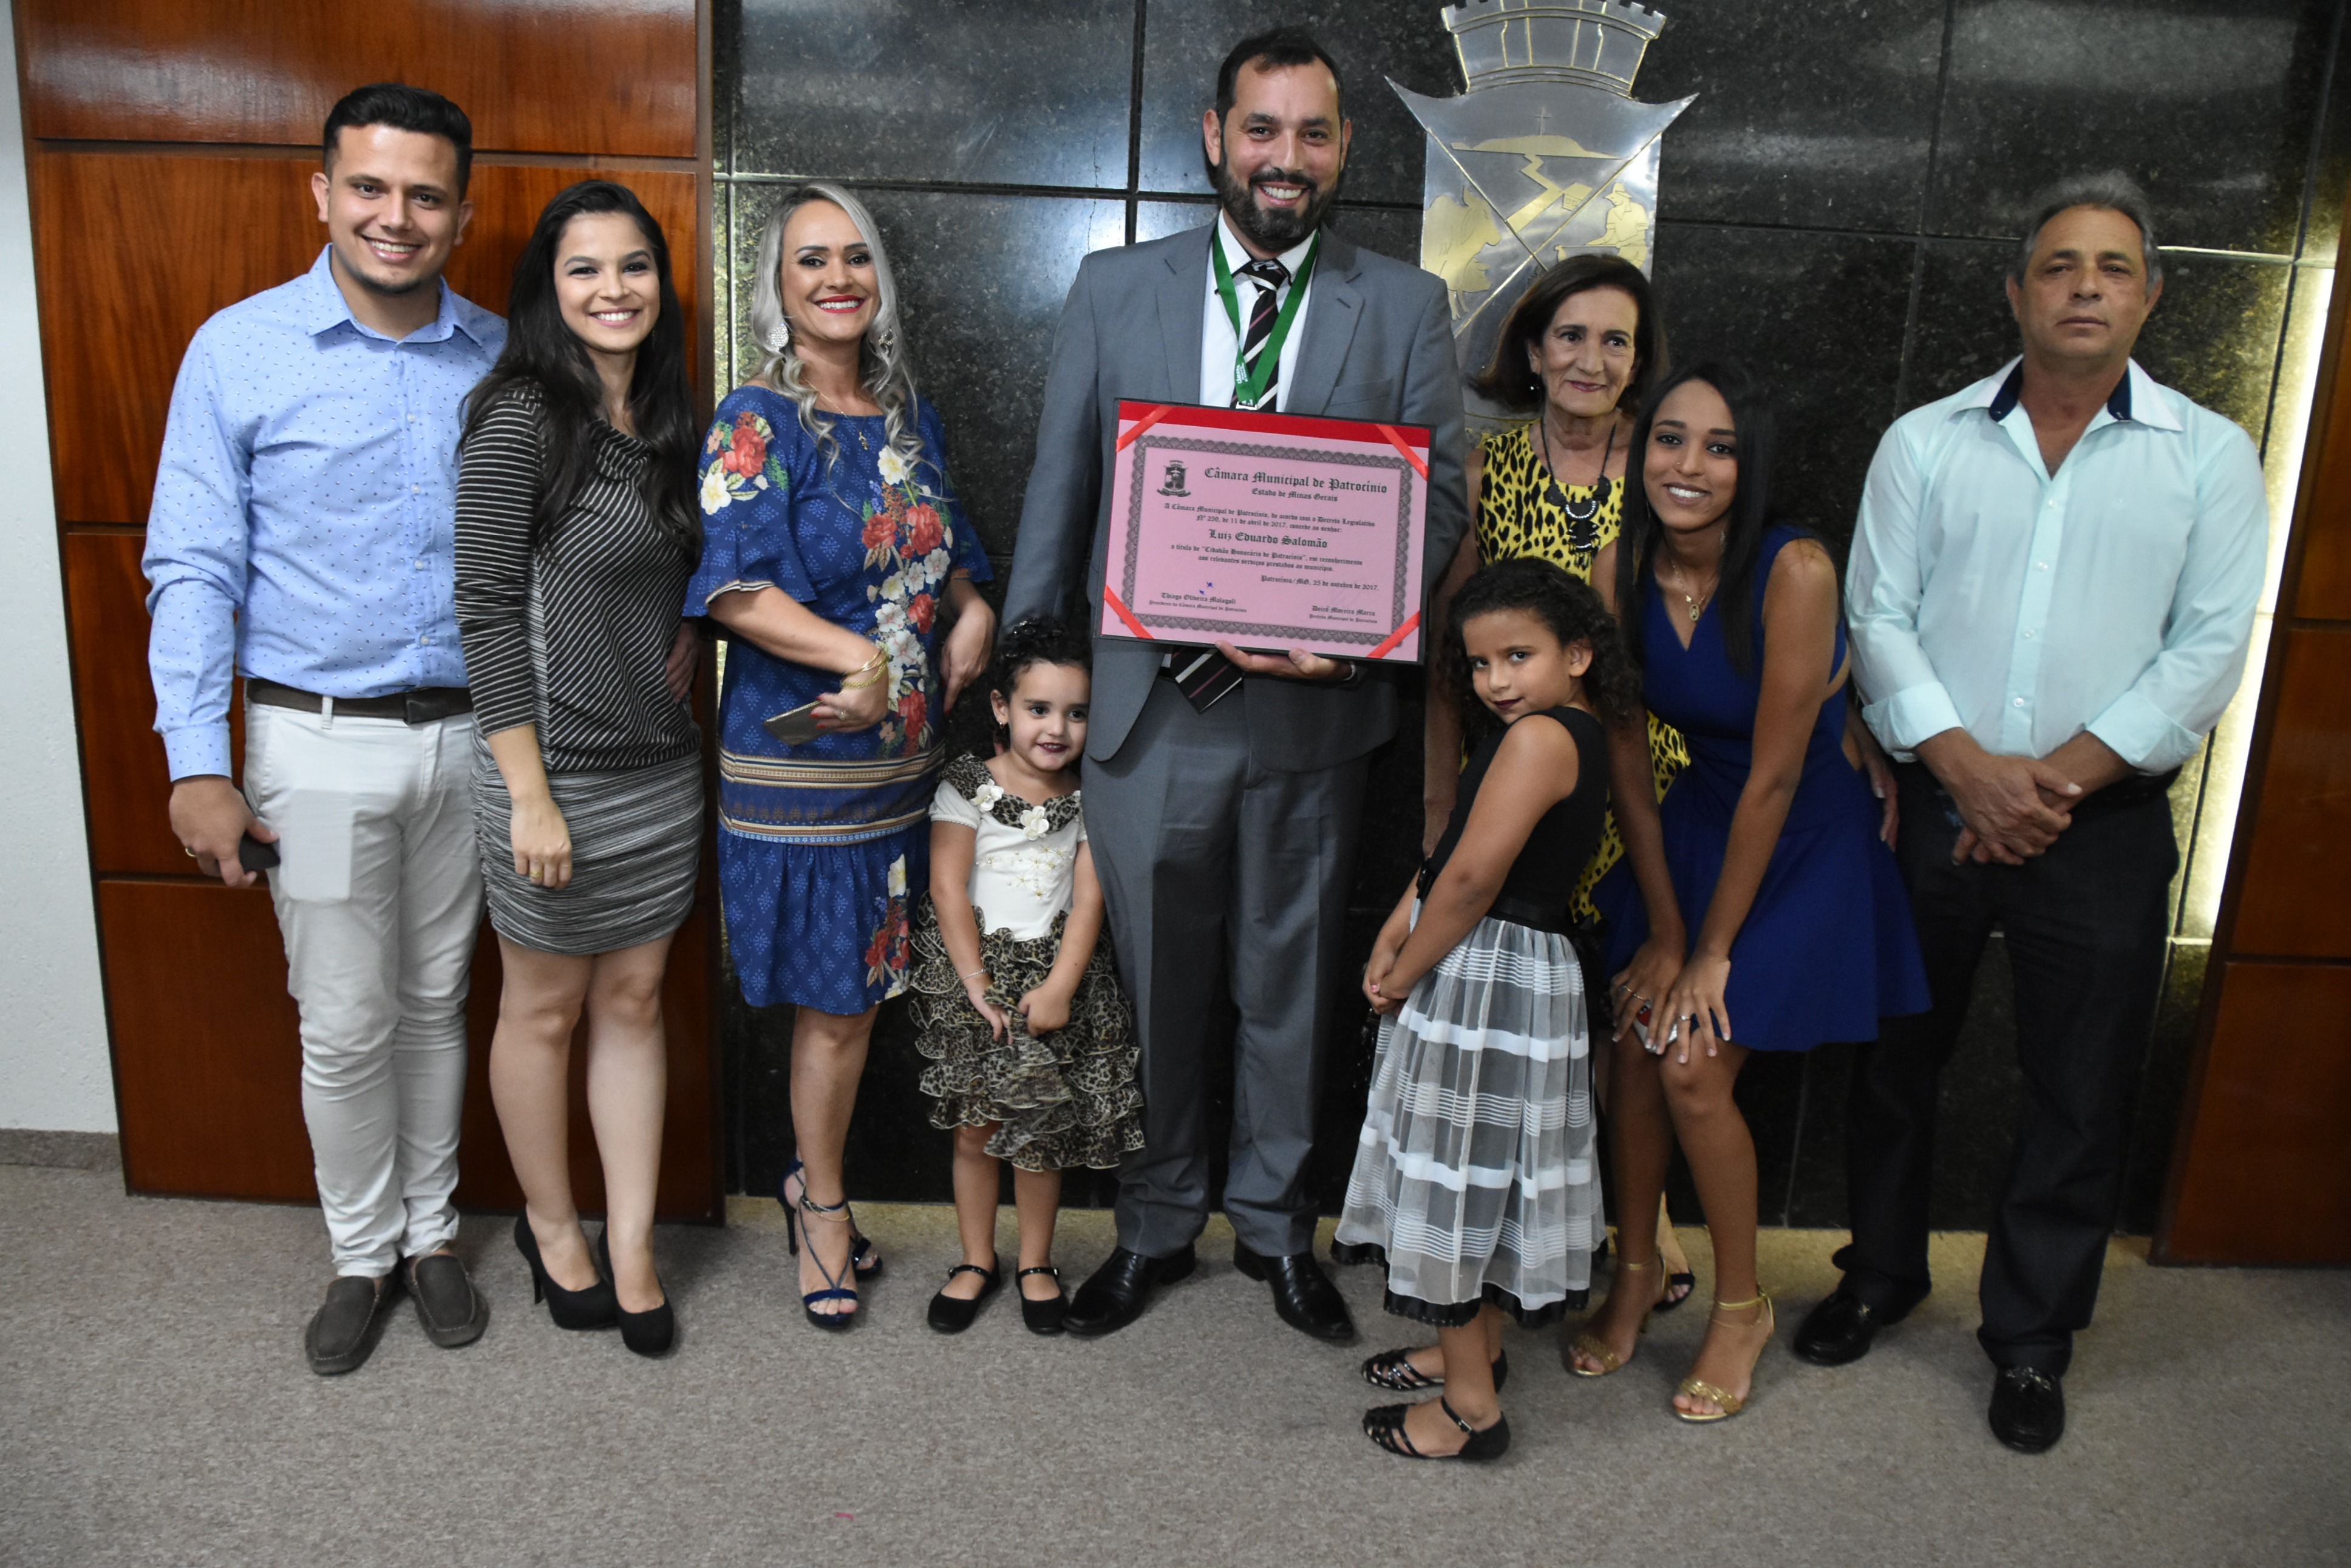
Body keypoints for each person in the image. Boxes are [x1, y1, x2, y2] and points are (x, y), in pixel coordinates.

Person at [1001, 25, 1467, 1343]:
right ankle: (1153, 1223)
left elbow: (1436, 506)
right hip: (1148, 712)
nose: (1285, 157)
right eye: (1261, 129)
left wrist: (1356, 632)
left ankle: (1273, 1226)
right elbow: (1060, 487)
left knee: (1292, 987)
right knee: (1156, 990)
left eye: (1312, 133)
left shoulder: (1405, 305)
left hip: (1314, 712)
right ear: (1216, 138)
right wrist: (1038, 671)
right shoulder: (1115, 288)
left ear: (1345, 149)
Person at [1816, 174, 2266, 1453]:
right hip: (1933, 804)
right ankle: (1878, 1271)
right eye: (2059, 264)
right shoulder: (1926, 441)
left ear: (2150, 295)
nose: (2084, 286)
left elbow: (2205, 652)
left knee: (2079, 1086)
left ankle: (2028, 1335)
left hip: (2103, 824)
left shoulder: (2209, 455)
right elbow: (1876, 615)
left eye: (2112, 267)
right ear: (2015, 291)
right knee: (1896, 1056)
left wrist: (2047, 782)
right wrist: (1965, 768)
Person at [145, 83, 504, 1376]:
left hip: (471, 739)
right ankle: (361, 1252)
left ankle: (432, 1233)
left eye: (424, 194)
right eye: (369, 187)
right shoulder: (239, 350)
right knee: (345, 1021)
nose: (394, 216)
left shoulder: (502, 356)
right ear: (322, 193)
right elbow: (193, 565)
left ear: (461, 213)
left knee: (436, 1000)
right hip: (317, 740)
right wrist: (196, 761)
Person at [1573, 361, 1930, 1423]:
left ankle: (1740, 1306)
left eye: (1720, 447)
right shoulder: (1616, 565)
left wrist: (1708, 950)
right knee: (1634, 1046)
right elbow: (1627, 761)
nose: (1688, 465)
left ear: (1752, 463)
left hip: (1804, 835)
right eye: (1670, 438)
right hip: (1696, 818)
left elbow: (1776, 777)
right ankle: (1637, 1269)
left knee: (1690, 1064)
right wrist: (1664, 927)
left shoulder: (1796, 570)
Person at [687, 182, 995, 1330]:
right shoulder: (755, 419)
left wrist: (973, 607)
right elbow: (735, 588)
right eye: (810, 259)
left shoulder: (907, 416)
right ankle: (820, 1203)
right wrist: (859, 654)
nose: (837, 278)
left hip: (902, 771)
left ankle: (814, 1186)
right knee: (835, 1006)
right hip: (803, 770)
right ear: (776, 286)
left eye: (855, 256)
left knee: (867, 1000)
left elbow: (945, 550)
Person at [1421, 253, 1703, 1308]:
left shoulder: (1668, 465)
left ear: (1640, 360)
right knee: (1546, 1009)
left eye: (1616, 340)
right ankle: (1530, 1232)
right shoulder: (1488, 469)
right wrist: (1441, 806)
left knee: (1631, 1006)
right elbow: (1449, 651)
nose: (1593, 358)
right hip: (1526, 786)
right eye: (1571, 335)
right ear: (1533, 352)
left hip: (1652, 778)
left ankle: (1644, 1221)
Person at [454, 181, 702, 1358]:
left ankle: (634, 1242)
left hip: (659, 768)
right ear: (547, 291)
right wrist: (529, 794)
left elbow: (677, 569)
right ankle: (553, 1228)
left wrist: (688, 625)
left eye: (634, 265)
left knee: (635, 1002)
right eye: (585, 269)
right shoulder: (518, 415)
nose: (614, 290)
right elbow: (486, 609)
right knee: (544, 1009)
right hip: (547, 770)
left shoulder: (671, 416)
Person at [1339, 559, 1633, 1462]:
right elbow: (1448, 859)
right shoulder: (1537, 732)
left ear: (1577, 654)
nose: (1496, 680)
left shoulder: (1541, 738)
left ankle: (1470, 1409)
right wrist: (1396, 926)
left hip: (1489, 970)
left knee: (1454, 1178)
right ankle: (1474, 1350)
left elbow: (1470, 880)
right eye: (1478, 663)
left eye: (1518, 656)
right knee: (1483, 1172)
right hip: (1492, 963)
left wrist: (1404, 968)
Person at [907, 616, 1143, 1337]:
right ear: (1002, 707)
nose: (1056, 729)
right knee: (975, 1130)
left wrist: (1062, 987)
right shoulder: (968, 786)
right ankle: (976, 1258)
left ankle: (1036, 1262)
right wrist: (976, 984)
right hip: (974, 982)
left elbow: (1089, 901)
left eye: (1076, 714)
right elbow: (947, 889)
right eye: (1039, 709)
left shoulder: (1091, 797)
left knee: (1039, 1133)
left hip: (1051, 984)